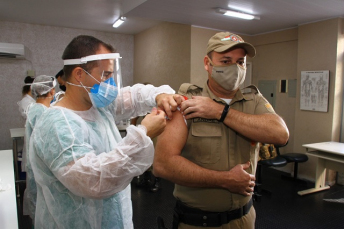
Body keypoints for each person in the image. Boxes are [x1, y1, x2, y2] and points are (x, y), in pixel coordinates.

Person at [29, 35, 184, 228]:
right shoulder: (57, 124)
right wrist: (143, 133)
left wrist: (160, 96)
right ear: (79, 74)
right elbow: (93, 181)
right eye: (105, 75)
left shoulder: (98, 107)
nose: (110, 83)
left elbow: (135, 96)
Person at [153, 32, 289, 229]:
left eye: (240, 61)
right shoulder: (186, 101)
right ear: (208, 63)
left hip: (245, 218)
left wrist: (221, 112)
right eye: (225, 61)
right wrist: (225, 180)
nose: (235, 67)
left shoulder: (254, 100)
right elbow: (163, 165)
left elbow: (281, 135)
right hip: (198, 223)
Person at [23, 75, 56, 223]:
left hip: (35, 164)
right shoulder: (43, 113)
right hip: (43, 167)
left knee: (39, 207)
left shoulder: (33, 108)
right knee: (46, 208)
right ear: (51, 92)